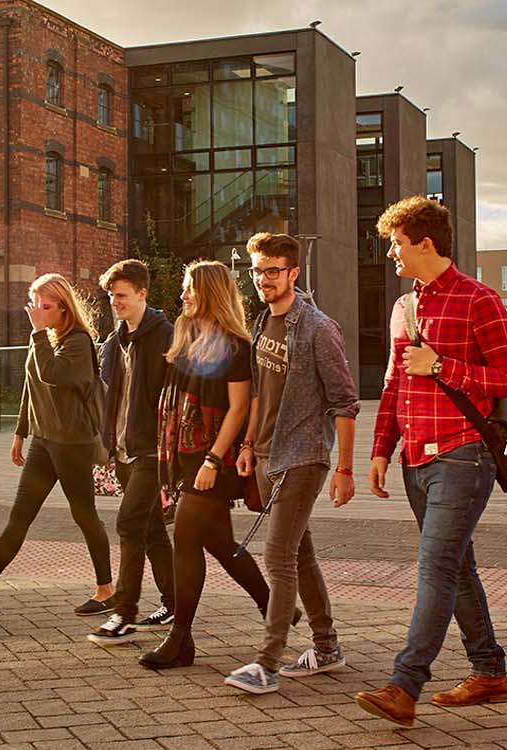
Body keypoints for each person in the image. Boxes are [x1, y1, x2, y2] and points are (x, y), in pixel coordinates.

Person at [357, 196, 507, 727]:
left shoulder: (480, 301)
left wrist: (442, 366)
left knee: (436, 566)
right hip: (415, 460)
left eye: (397, 243)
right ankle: (490, 672)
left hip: (464, 454)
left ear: (426, 243)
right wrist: (382, 449)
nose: (391, 254)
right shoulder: (403, 307)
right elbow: (392, 386)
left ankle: (405, 684)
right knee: (458, 567)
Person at [222, 234, 360, 695]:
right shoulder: (261, 323)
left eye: (273, 271)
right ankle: (327, 648)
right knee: (300, 553)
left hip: (303, 455)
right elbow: (259, 392)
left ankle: (267, 663)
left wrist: (344, 468)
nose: (263, 279)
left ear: (294, 273)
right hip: (264, 453)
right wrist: (246, 444)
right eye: (258, 271)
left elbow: (344, 401)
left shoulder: (318, 328)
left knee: (277, 556)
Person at [0, 273, 114, 614]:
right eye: (35, 304)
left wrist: (37, 333)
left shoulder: (78, 342)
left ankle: (106, 590)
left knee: (84, 515)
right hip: (44, 441)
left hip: (72, 442)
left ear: (64, 309)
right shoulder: (47, 338)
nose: (37, 312)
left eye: (45, 306)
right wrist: (20, 431)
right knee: (19, 517)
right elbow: (32, 386)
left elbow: (52, 374)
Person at [140, 259, 275, 670]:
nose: (182, 296)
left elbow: (237, 410)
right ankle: (277, 610)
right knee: (219, 544)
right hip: (182, 458)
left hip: (213, 460)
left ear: (209, 292)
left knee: (184, 539)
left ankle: (180, 639)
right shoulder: (187, 338)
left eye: (189, 288)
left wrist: (214, 460)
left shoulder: (235, 345)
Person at [87, 260, 176, 644]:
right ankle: (175, 602)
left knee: (128, 524)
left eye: (121, 295)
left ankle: (124, 612)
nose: (115, 303)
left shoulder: (166, 337)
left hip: (151, 452)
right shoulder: (116, 339)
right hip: (122, 450)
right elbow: (110, 395)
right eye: (110, 297)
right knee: (153, 530)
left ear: (142, 293)